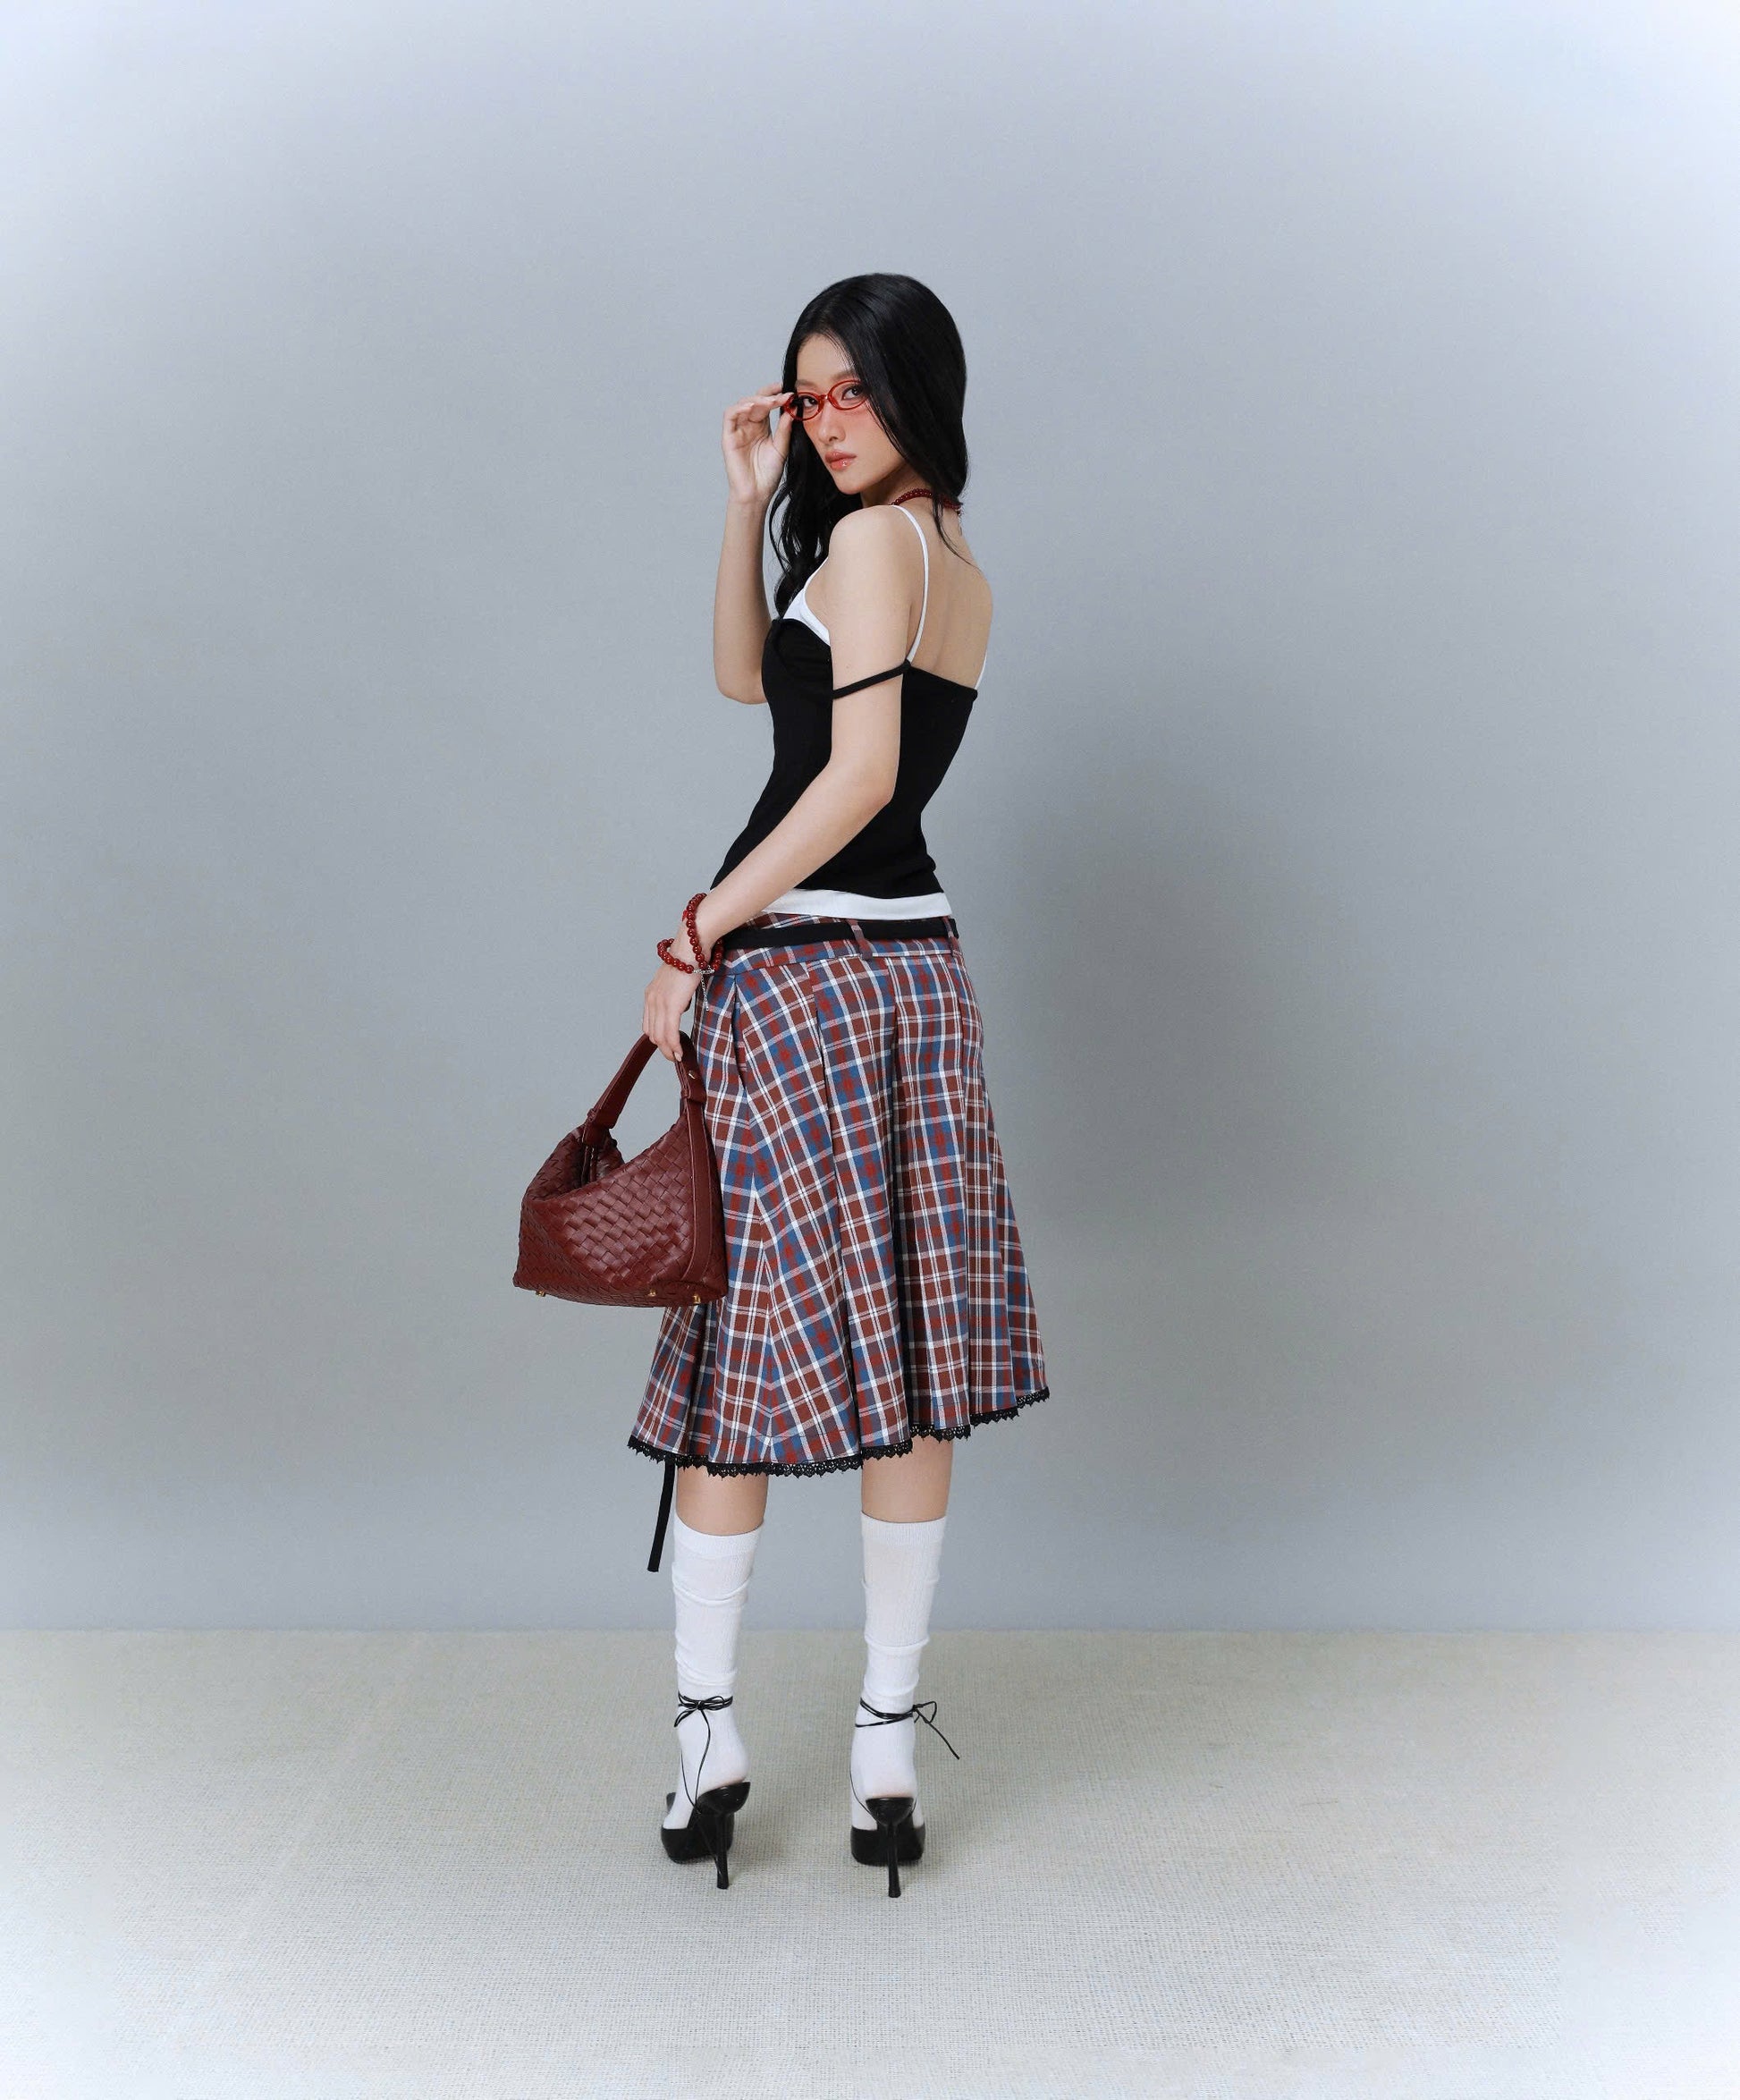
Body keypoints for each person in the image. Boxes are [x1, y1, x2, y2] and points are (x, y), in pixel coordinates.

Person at [628, 273, 1049, 1897]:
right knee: (912, 1353)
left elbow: (854, 779)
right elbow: (754, 688)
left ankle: (707, 1731)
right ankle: (883, 1745)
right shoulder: (950, 562)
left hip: (803, 977)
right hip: (916, 979)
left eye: (851, 390)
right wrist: (747, 506)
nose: (823, 421)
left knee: (737, 1353)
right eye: (806, 397)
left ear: (916, 388)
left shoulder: (876, 547)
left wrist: (698, 930)